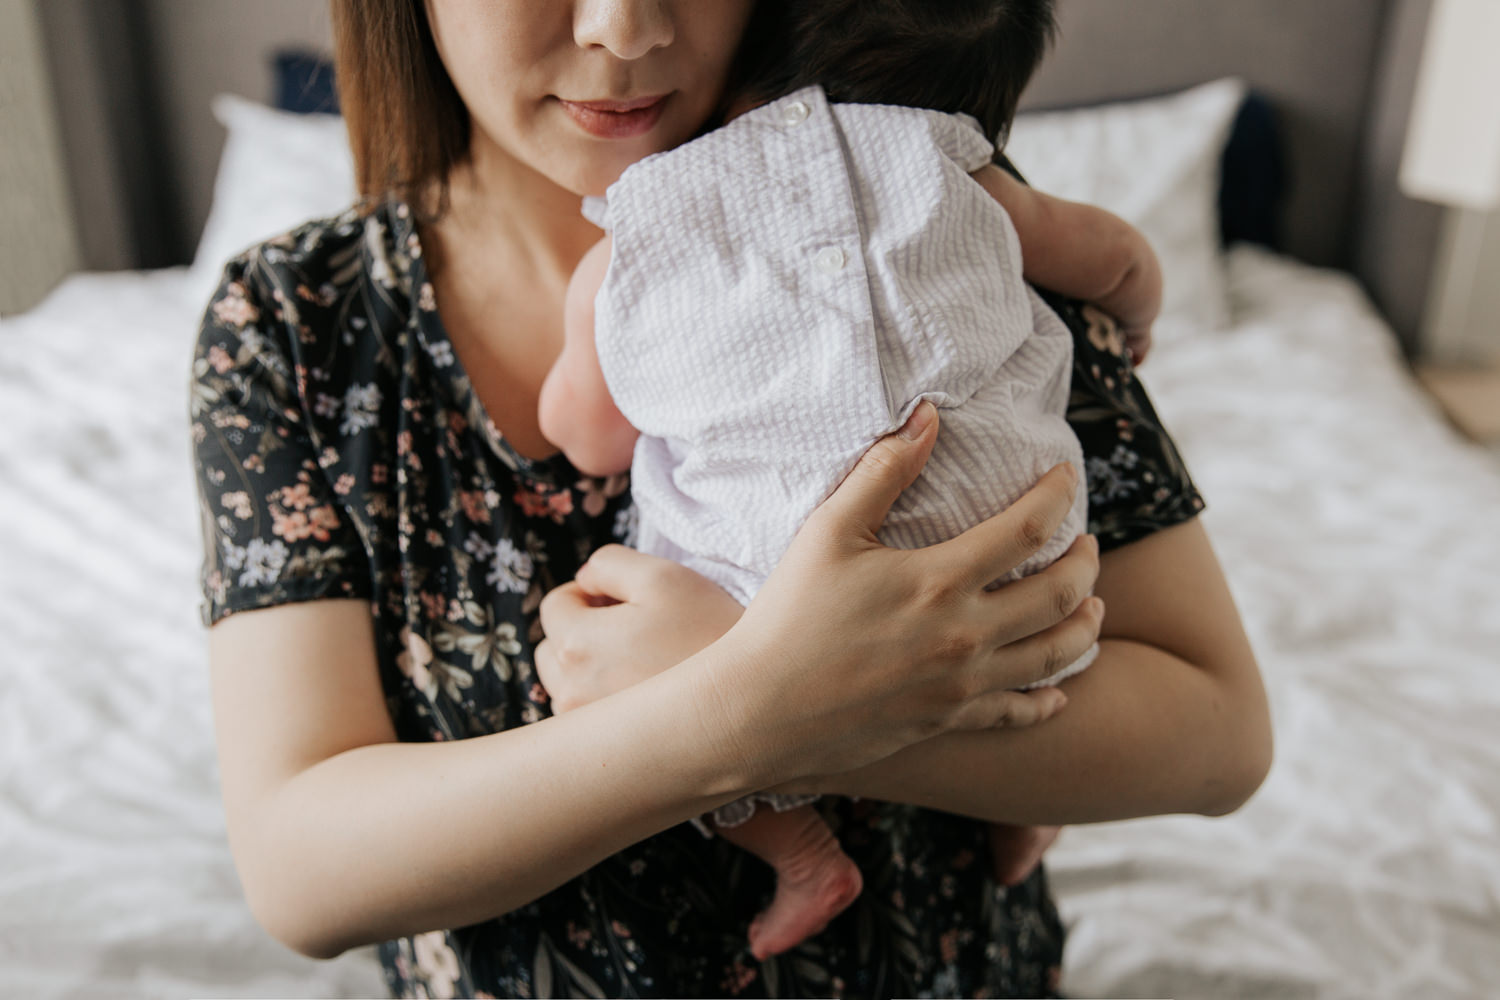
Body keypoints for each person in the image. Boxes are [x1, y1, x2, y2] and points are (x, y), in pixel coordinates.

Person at [189, 1, 1271, 996]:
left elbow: (1217, 732)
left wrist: (814, 697)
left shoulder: (935, 192)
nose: (622, 27)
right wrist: (740, 708)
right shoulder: (295, 325)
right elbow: (302, 872)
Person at [535, 0, 1163, 962]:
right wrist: (1140, 314)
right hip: (1004, 555)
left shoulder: (639, 233)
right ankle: (1021, 815)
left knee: (648, 678)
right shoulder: (972, 178)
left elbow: (591, 440)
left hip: (761, 597)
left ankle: (803, 855)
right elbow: (1118, 256)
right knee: (1032, 637)